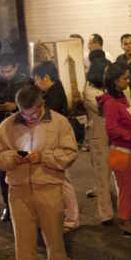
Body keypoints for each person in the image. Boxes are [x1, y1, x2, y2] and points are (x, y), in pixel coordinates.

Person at [0, 84, 79, 260]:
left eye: (33, 114)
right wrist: (12, 158)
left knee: (55, 243)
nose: (29, 118)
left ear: (42, 105)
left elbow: (70, 153)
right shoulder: (8, 125)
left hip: (49, 188)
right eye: (24, 114)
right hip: (19, 193)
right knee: (23, 247)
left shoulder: (59, 123)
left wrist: (45, 157)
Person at [98, 62, 131, 236]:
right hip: (121, 151)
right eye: (124, 78)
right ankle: (124, 218)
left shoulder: (121, 97)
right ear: (114, 81)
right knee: (126, 187)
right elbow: (111, 129)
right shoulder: (111, 103)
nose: (128, 81)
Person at [32, 60, 80, 233]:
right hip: (56, 142)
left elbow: (47, 119)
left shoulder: (54, 94)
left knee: (63, 180)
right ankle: (68, 216)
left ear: (45, 77)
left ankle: (72, 218)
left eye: (37, 80)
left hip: (58, 143)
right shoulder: (54, 90)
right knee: (62, 180)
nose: (36, 84)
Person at [0, 53, 31, 222]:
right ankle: (8, 206)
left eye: (8, 71)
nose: (5, 74)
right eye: (2, 71)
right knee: (2, 170)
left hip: (22, 131)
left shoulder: (25, 82)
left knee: (24, 167)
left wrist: (16, 107)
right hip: (0, 129)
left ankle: (27, 205)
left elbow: (33, 107)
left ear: (16, 67)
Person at [82, 48, 114, 224]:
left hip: (114, 134)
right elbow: (105, 109)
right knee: (102, 175)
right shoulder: (90, 91)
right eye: (106, 73)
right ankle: (105, 213)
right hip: (99, 135)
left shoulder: (108, 89)